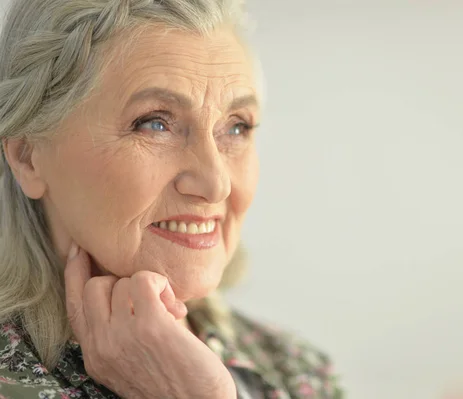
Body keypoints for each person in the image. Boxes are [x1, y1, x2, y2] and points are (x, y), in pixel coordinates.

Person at [0, 0, 342, 397]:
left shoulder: (300, 372)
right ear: (27, 157)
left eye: (236, 128)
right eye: (155, 123)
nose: (216, 184)